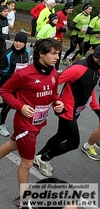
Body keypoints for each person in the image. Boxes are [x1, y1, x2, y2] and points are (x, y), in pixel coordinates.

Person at [0, 39, 64, 192]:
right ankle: (24, 199)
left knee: (14, 144)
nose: (57, 57)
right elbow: (4, 91)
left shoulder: (53, 72)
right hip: (26, 124)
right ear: (41, 54)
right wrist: (21, 106)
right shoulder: (23, 74)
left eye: (58, 54)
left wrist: (57, 102)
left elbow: (53, 93)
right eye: (53, 54)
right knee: (27, 163)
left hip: (39, 121)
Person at [34, 45, 100, 175]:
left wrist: (96, 108)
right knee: (73, 143)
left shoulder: (96, 69)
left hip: (76, 110)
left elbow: (90, 88)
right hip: (66, 110)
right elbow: (53, 82)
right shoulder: (78, 69)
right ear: (97, 57)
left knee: (61, 135)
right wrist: (56, 101)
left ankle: (39, 156)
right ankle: (44, 158)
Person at [0, 31, 29, 136]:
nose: (17, 44)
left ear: (25, 43)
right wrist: (12, 76)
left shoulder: (27, 53)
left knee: (14, 104)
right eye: (16, 41)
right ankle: (1, 124)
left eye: (21, 42)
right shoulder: (7, 54)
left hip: (20, 85)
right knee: (7, 106)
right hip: (7, 84)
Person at [54, 2, 74, 70]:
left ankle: (56, 67)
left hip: (60, 36)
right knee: (57, 52)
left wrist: (64, 29)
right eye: (70, 10)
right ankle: (55, 68)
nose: (71, 11)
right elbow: (51, 22)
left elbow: (63, 23)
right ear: (66, 9)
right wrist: (59, 29)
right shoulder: (58, 14)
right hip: (55, 36)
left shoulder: (66, 14)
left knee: (58, 52)